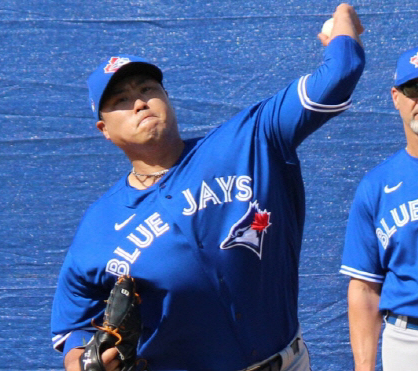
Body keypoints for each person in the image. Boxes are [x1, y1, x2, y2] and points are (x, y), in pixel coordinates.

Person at [52, 4, 365, 371]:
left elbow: (339, 73)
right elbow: (72, 325)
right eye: (120, 100)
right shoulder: (100, 225)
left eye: (148, 88)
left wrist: (343, 20)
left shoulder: (249, 139)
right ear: (104, 129)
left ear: (167, 98)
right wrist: (82, 360)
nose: (139, 102)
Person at [340, 45, 418, 371]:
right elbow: (365, 287)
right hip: (408, 340)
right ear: (396, 98)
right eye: (412, 88)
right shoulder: (377, 185)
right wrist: (364, 367)